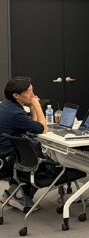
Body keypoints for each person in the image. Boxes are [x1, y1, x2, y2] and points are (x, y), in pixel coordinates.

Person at [0, 77, 47, 211]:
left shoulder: (6, 105)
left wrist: (31, 107)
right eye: (28, 91)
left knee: (34, 152)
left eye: (32, 90)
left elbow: (31, 127)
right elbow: (43, 128)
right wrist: (37, 105)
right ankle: (19, 196)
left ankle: (12, 193)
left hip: (5, 153)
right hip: (6, 160)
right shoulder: (16, 114)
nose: (33, 94)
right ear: (16, 95)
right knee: (42, 162)